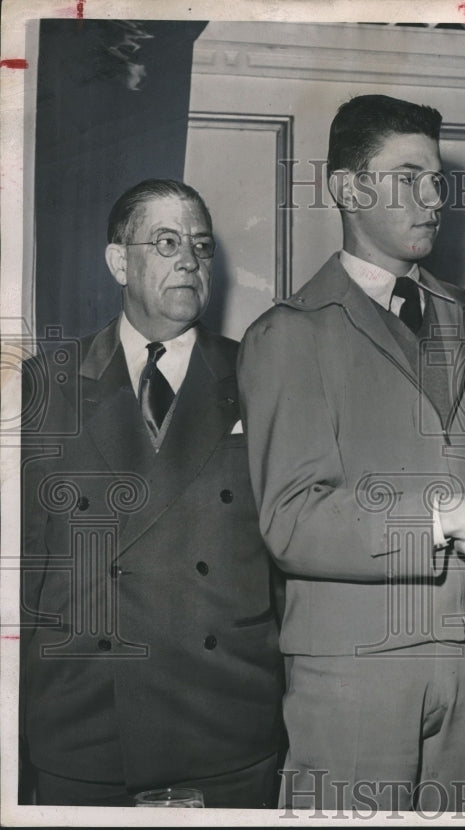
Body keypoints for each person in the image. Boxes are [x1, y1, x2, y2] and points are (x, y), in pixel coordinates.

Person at [237, 94, 465, 813]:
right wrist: (449, 516)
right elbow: (293, 521)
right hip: (356, 672)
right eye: (408, 176)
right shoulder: (289, 335)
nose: (434, 197)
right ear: (347, 189)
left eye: (438, 179)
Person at [19, 179, 285, 807]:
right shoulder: (45, 386)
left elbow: (288, 563)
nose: (189, 260)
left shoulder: (259, 374)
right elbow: (22, 572)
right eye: (166, 242)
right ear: (119, 260)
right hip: (85, 730)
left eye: (200, 245)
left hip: (227, 723)